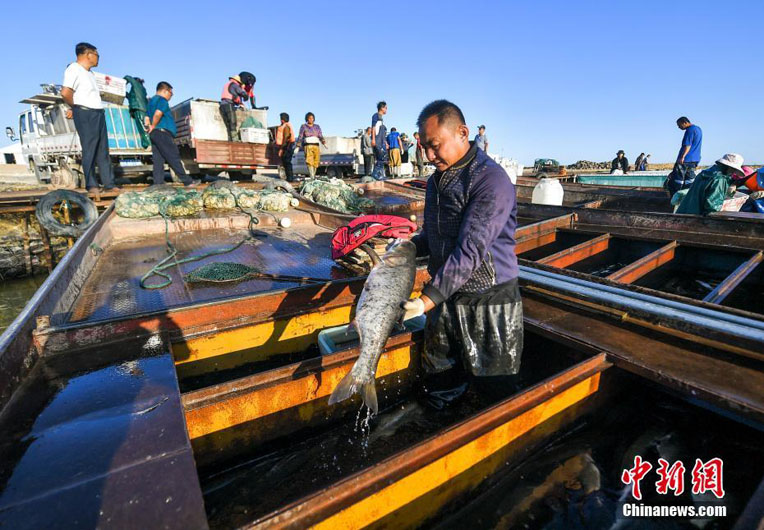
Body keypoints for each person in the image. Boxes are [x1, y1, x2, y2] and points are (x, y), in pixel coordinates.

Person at [401, 100, 523, 408]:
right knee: (440, 379)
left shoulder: (490, 181)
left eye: (435, 146)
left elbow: (470, 251)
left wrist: (424, 301)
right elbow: (434, 235)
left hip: (489, 298)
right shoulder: (436, 182)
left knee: (495, 389)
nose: (429, 156)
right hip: (446, 294)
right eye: (424, 148)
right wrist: (408, 247)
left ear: (462, 133)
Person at [60, 42, 117, 191]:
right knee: (90, 148)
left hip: (98, 112)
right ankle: (92, 184)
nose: (99, 58)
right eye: (97, 55)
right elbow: (65, 92)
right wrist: (75, 107)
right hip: (85, 112)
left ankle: (109, 184)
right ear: (88, 54)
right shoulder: (73, 69)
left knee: (102, 150)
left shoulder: (90, 73)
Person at [145, 82, 196, 186]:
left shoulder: (150, 102)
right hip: (162, 133)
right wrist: (154, 125)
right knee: (173, 156)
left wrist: (149, 127)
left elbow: (146, 118)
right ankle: (187, 181)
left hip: (154, 134)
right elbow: (158, 114)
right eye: (171, 93)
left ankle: (158, 184)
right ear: (164, 91)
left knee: (158, 160)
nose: (171, 96)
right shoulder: (162, 100)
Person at [676, 153, 744, 215]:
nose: (734, 172)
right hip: (696, 217)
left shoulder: (703, 173)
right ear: (730, 167)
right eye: (734, 170)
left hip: (683, 212)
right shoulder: (720, 179)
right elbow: (712, 206)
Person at [666, 117, 702, 195]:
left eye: (679, 125)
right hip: (694, 159)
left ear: (684, 122)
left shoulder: (689, 130)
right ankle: (688, 197)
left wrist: (682, 157)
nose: (679, 127)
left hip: (685, 160)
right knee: (689, 180)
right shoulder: (698, 129)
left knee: (677, 180)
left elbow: (687, 145)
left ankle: (675, 198)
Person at [296, 112, 326, 178]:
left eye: (312, 118)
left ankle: (314, 175)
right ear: (307, 119)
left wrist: (323, 141)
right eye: (309, 118)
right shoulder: (303, 126)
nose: (311, 119)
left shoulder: (317, 126)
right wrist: (298, 145)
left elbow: (320, 135)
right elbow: (300, 136)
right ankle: (312, 176)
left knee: (316, 161)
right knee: (309, 161)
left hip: (316, 145)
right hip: (308, 145)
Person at [219, 75, 248, 141]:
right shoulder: (234, 85)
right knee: (232, 122)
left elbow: (233, 95)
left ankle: (230, 139)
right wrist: (246, 96)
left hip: (222, 105)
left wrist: (239, 103)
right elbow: (241, 93)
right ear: (238, 81)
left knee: (228, 124)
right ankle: (235, 139)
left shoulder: (227, 84)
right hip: (228, 105)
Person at [276, 112, 296, 182]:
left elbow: (286, 138)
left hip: (287, 146)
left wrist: (281, 149)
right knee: (285, 163)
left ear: (282, 119)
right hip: (286, 145)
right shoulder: (284, 126)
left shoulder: (286, 126)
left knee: (287, 162)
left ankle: (290, 178)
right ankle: (289, 178)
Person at [371, 101, 389, 180]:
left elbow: (383, 133)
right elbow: (373, 128)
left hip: (381, 142)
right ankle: (376, 174)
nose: (386, 110)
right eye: (386, 108)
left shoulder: (381, 119)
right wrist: (373, 139)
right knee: (380, 157)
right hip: (377, 140)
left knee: (383, 157)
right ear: (382, 108)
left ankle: (380, 174)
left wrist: (385, 142)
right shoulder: (376, 116)